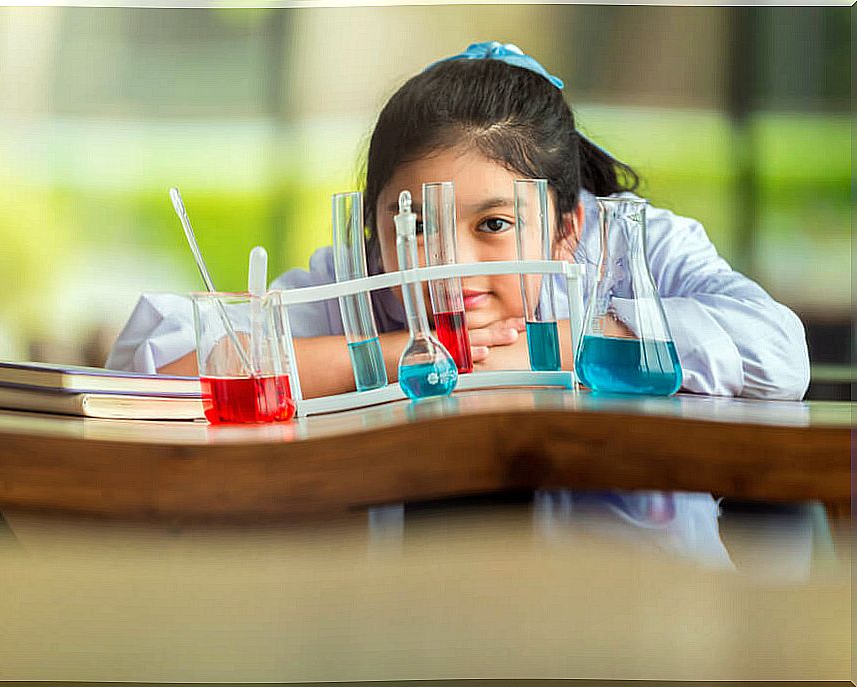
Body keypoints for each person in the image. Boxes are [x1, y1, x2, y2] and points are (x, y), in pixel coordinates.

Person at [107, 42, 811, 567]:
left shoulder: (635, 247)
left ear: (569, 228)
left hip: (643, 623)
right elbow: (153, 372)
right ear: (373, 232)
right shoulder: (367, 283)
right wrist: (395, 354)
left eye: (494, 225)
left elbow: (779, 350)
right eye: (414, 226)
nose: (451, 270)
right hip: (415, 629)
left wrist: (563, 342)